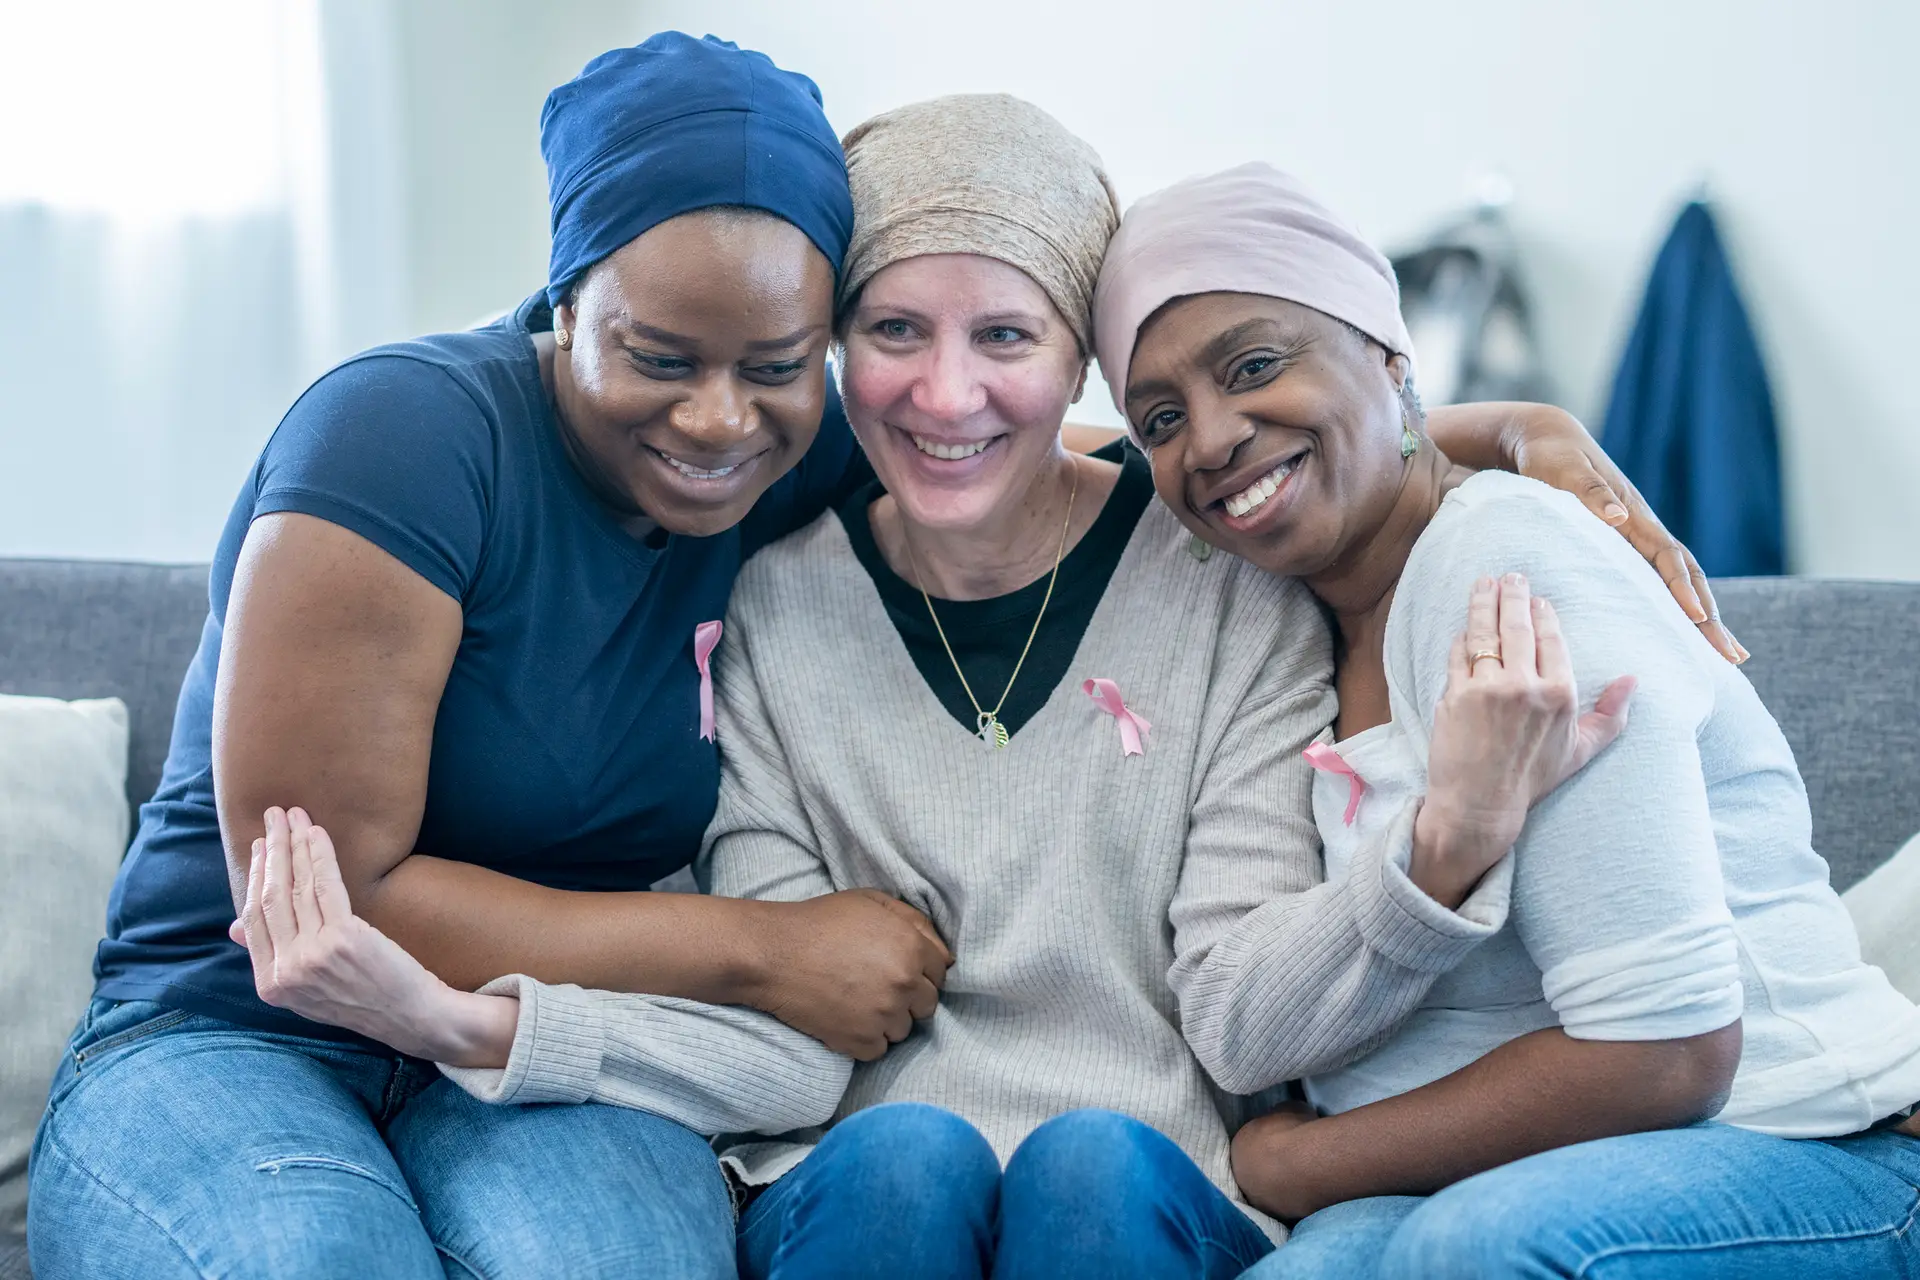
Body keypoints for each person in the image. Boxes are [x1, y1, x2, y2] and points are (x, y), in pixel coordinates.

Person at [222, 98, 1728, 1280]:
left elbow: (1241, 1015)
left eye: (1007, 336)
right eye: (893, 333)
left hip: (1159, 1185)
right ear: (834, 354)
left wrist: (1493, 438)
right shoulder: (764, 595)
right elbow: (782, 1032)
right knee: (903, 1159)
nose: (947, 397)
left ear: (1082, 365)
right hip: (848, 1183)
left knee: (1087, 1162)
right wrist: (483, 1025)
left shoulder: (1225, 586)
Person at [27, 34, 951, 1280]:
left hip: (555, 1045)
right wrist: (767, 950)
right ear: (565, 302)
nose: (721, 418)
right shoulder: (403, 436)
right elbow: (331, 899)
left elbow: (1042, 473)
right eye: (659, 357)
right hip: (238, 1027)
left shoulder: (802, 454)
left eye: (778, 367)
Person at [1096, 161, 1920, 1279]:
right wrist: (1518, 421)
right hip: (1461, 1176)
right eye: (1159, 417)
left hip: (1791, 1135)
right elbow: (1017, 467)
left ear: (1392, 353)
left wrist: (1305, 1163)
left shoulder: (1509, 564)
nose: (1210, 438)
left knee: (1472, 1252)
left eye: (1253, 364)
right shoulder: (1273, 613)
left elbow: (1667, 1054)